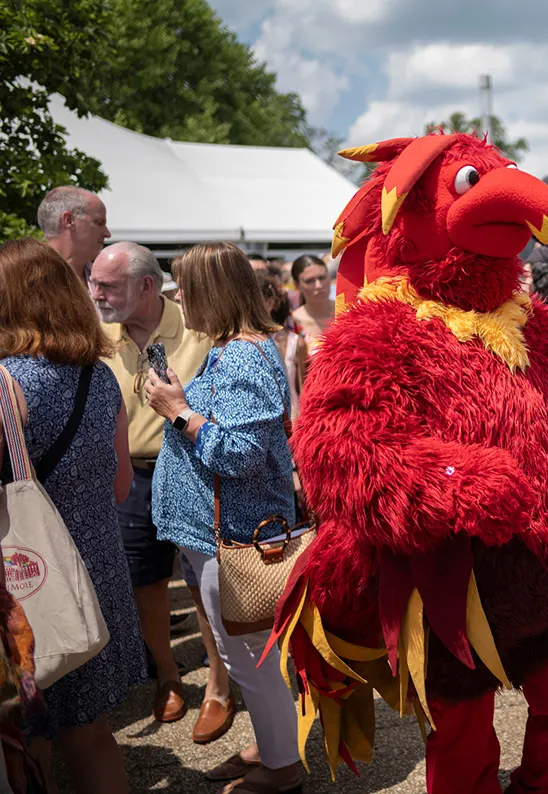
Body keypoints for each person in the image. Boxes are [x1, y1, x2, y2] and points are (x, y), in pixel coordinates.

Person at [145, 242, 301, 792]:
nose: (177, 298)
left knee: (249, 661)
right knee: (255, 659)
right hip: (220, 537)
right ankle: (274, 745)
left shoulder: (239, 356)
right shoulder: (235, 350)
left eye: (183, 288)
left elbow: (240, 455)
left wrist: (180, 411)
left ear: (210, 291)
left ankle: (283, 769)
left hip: (233, 540)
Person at [0, 238, 143, 794]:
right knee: (90, 731)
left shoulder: (7, 384)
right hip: (96, 572)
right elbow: (121, 484)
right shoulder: (99, 375)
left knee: (25, 729)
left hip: (26, 581)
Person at [90, 243, 227, 739]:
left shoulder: (200, 328)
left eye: (108, 285)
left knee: (202, 584)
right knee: (145, 583)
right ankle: (168, 677)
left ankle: (219, 682)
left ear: (147, 286)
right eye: (94, 283)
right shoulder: (96, 336)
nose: (96, 294)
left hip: (193, 471)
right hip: (130, 477)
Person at [257, 274, 308, 421]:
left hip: (291, 421)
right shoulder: (235, 341)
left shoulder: (293, 341)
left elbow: (302, 388)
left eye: (260, 299)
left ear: (272, 302)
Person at [36, 187, 110, 282]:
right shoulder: (25, 280)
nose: (107, 234)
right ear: (69, 221)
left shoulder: (106, 282)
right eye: (99, 222)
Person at [289, 254, 334, 344]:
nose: (318, 285)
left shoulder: (348, 313)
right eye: (309, 281)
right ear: (297, 285)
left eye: (322, 278)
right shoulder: (292, 323)